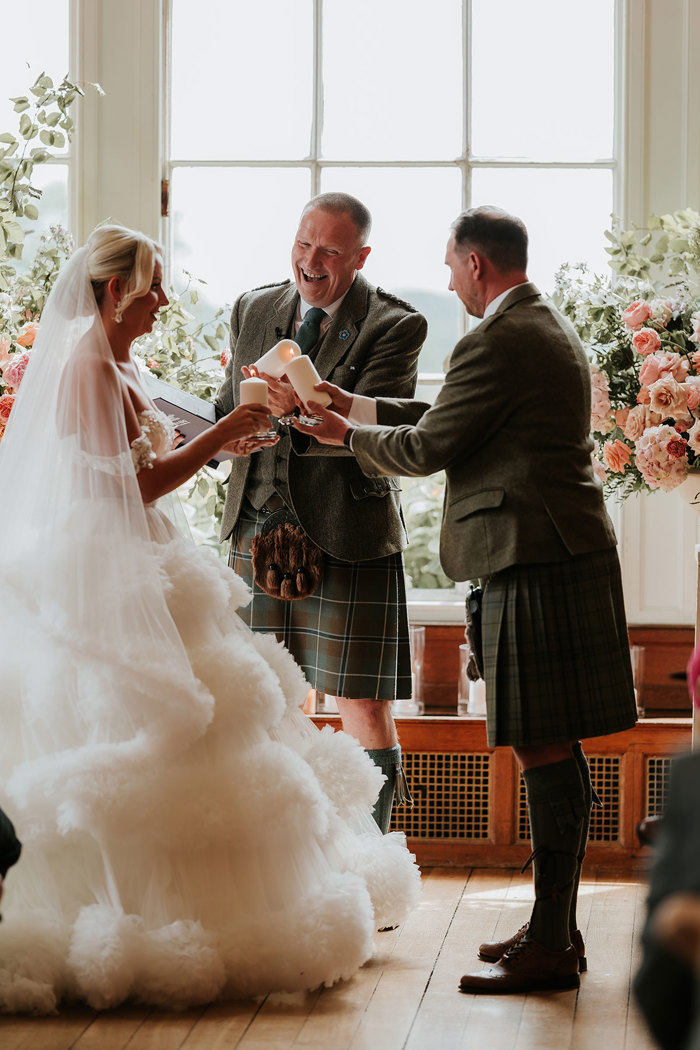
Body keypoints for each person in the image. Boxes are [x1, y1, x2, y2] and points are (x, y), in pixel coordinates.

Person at [0, 225, 419, 1013]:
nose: (162, 301)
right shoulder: (87, 367)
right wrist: (224, 437)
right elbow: (121, 490)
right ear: (114, 290)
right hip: (106, 567)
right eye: (153, 287)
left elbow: (142, 467)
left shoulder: (119, 362)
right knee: (134, 721)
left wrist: (217, 435)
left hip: (147, 554)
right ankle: (137, 910)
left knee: (222, 723)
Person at [297, 205, 638, 993]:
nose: (450, 281)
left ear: (477, 264)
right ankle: (556, 929)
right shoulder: (538, 325)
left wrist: (341, 437)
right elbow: (452, 418)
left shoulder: (500, 336)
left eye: (451, 267)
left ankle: (552, 945)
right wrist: (353, 408)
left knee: (546, 748)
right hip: (553, 550)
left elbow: (429, 447)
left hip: (534, 556)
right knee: (552, 747)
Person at [214, 192, 427, 833]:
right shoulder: (253, 307)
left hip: (347, 531)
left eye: (329, 250)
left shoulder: (395, 324)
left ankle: (374, 863)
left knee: (362, 703)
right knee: (256, 700)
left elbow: (382, 428)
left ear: (359, 256)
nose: (311, 261)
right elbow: (228, 408)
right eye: (304, 243)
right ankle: (276, 858)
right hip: (252, 524)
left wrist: (301, 412)